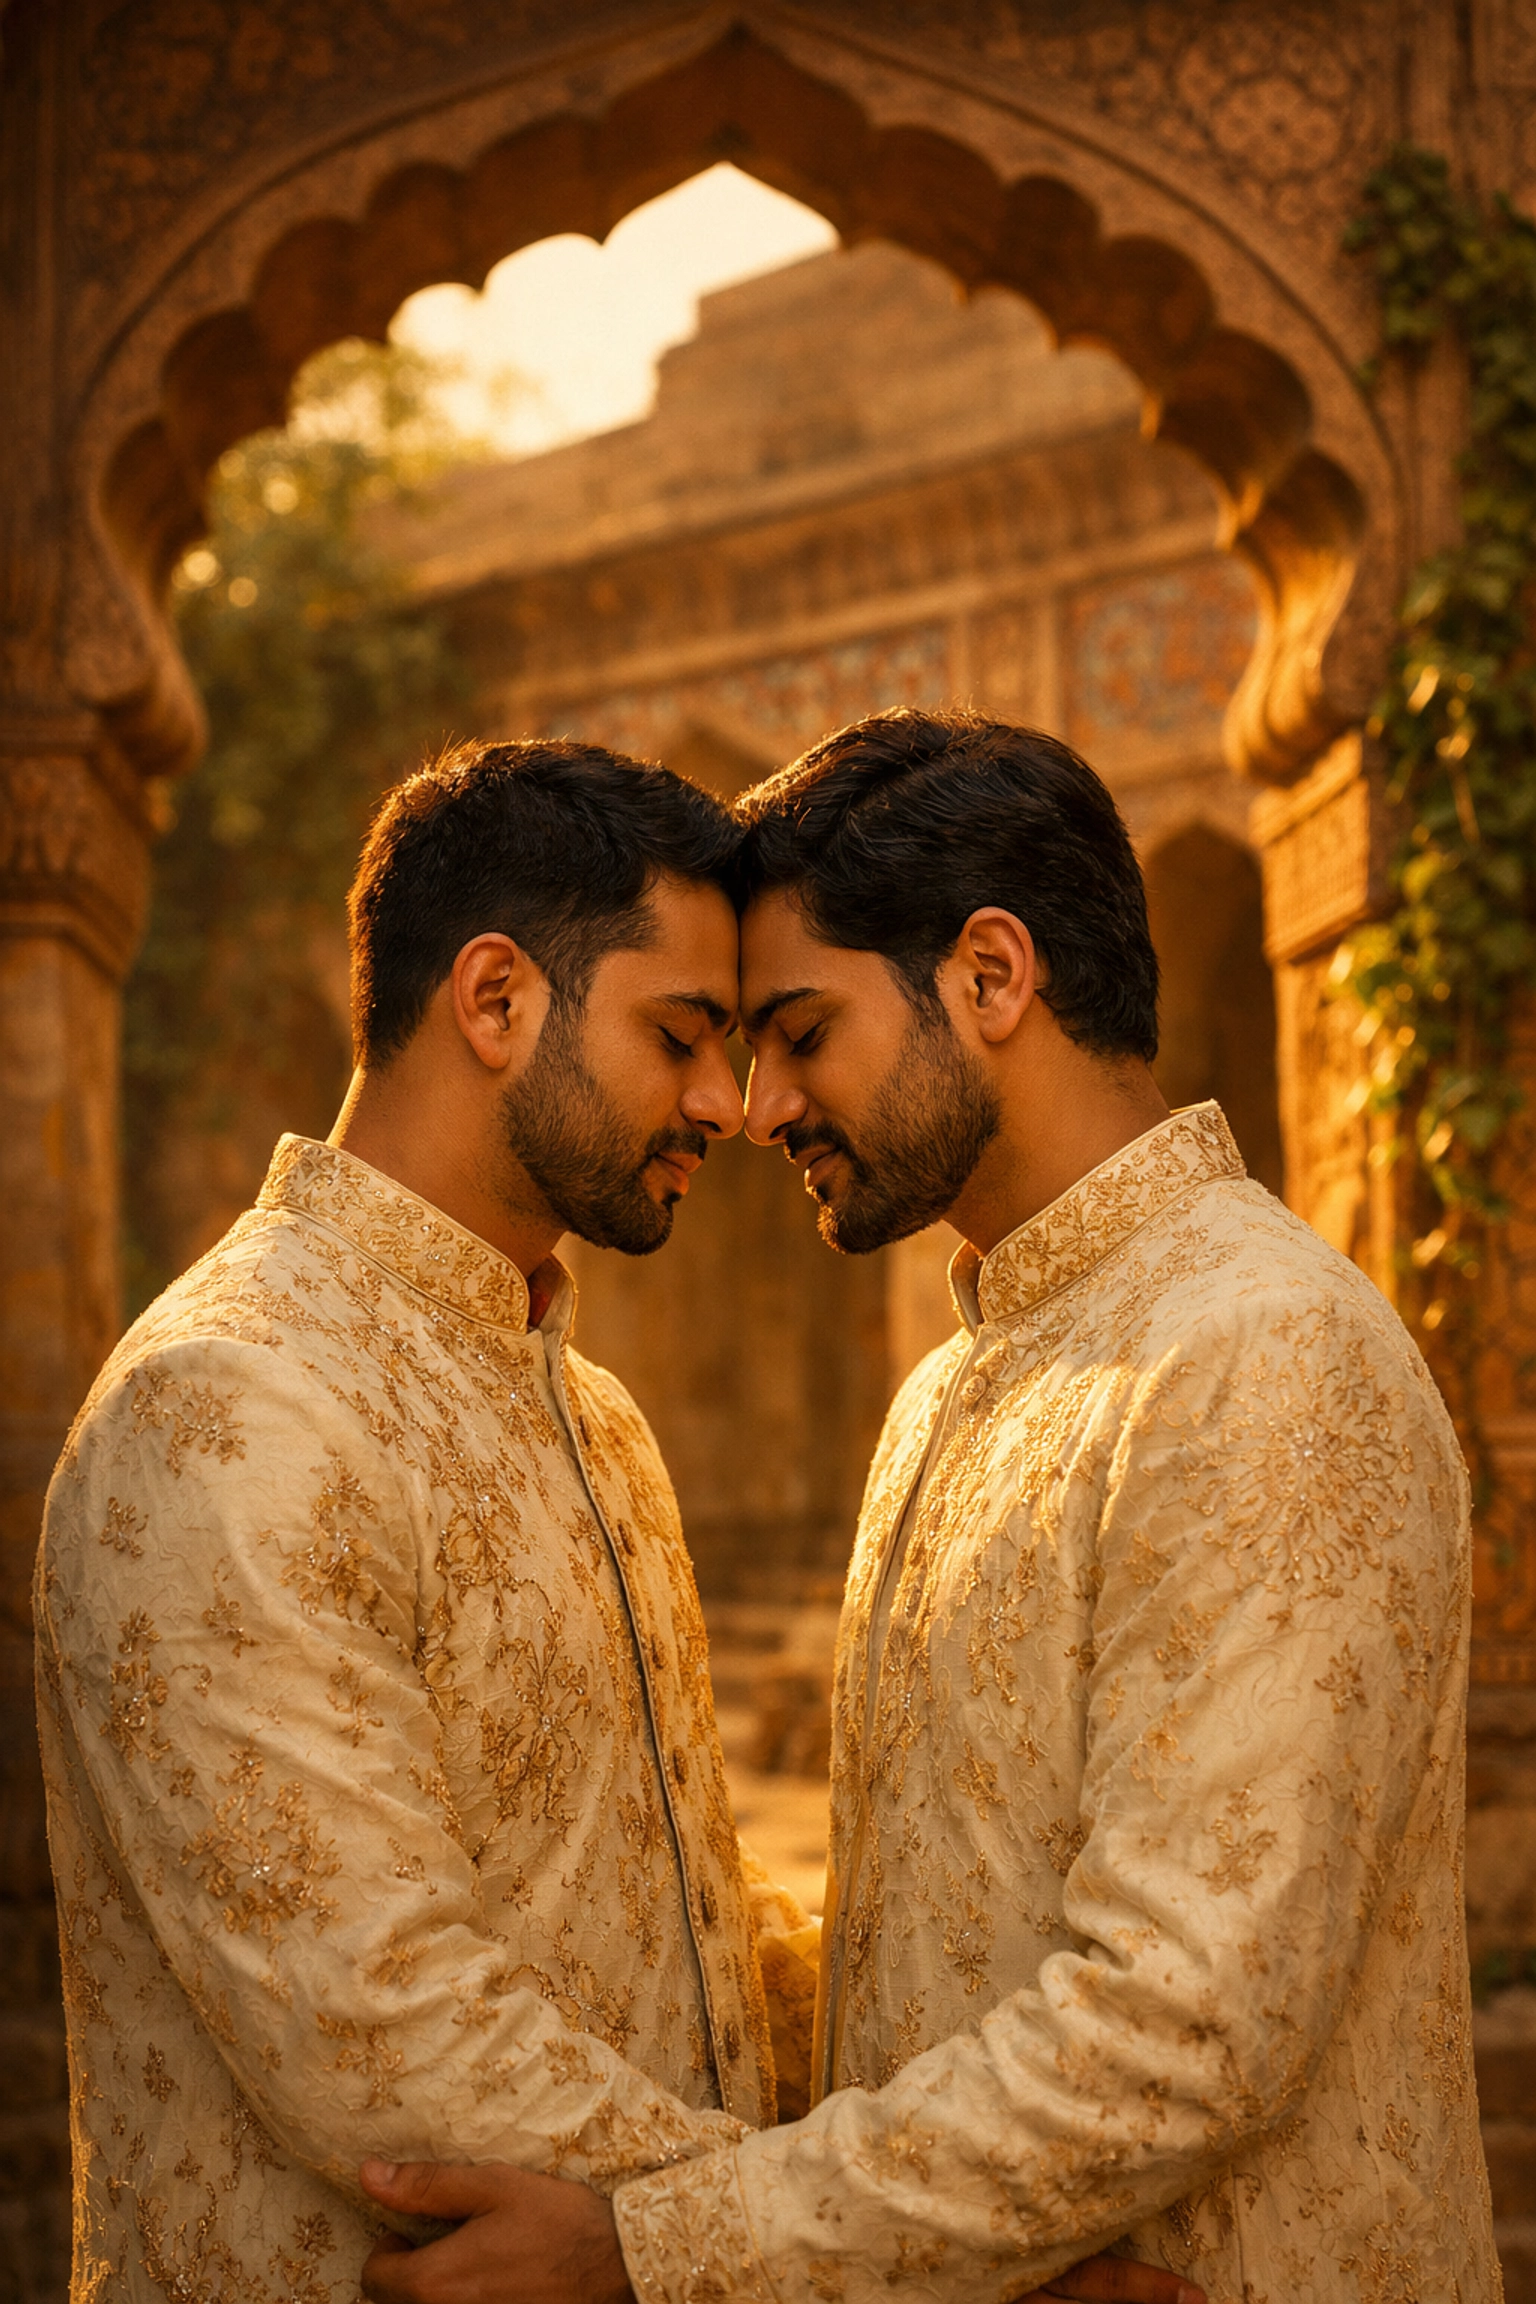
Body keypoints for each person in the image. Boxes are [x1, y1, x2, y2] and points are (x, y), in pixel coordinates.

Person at [359, 709, 1497, 2303]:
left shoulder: (1261, 1352)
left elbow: (1183, 2021)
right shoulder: (962, 1390)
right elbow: (928, 1950)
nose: (757, 1108)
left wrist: (667, 2251)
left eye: (801, 1032)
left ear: (990, 976)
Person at [37, 733, 1178, 2304]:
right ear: (496, 1001)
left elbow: (687, 1915)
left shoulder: (585, 1413)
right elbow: (384, 2026)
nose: (733, 1099)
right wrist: (915, 2273)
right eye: (685, 1034)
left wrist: (930, 2217)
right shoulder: (230, 1406)